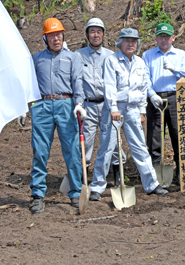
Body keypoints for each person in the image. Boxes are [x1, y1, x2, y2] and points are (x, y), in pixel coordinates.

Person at [89, 28, 167, 200]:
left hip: (132, 109)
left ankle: (152, 184)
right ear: (120, 42)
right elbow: (109, 86)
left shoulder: (140, 62)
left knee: (139, 147)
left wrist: (142, 109)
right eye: (127, 40)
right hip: (114, 110)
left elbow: (143, 86)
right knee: (106, 148)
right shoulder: (112, 60)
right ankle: (97, 187)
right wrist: (113, 108)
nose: (130, 44)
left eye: (134, 41)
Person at [28, 18, 87, 213]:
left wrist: (79, 103)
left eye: (59, 35)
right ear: (45, 38)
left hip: (66, 105)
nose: (56, 39)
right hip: (43, 105)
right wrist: (25, 105)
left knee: (72, 150)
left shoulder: (73, 58)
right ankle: (37, 194)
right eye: (52, 35)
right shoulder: (36, 59)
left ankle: (76, 192)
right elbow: (28, 84)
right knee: (40, 150)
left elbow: (78, 81)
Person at [142, 23, 185, 181]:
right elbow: (144, 78)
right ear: (156, 37)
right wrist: (151, 95)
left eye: (167, 36)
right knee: (154, 136)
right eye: (160, 36)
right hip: (155, 98)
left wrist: (174, 69)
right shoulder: (148, 55)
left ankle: (181, 173)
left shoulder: (181, 55)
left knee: (178, 134)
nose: (163, 40)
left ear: (173, 38)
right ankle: (156, 174)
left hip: (176, 96)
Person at [75, 18, 123, 184]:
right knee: (86, 141)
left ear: (103, 34)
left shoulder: (111, 56)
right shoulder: (78, 56)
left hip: (107, 105)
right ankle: (84, 176)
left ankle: (118, 173)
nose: (96, 35)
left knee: (112, 139)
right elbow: (75, 81)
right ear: (87, 34)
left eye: (99, 31)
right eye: (92, 31)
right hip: (87, 105)